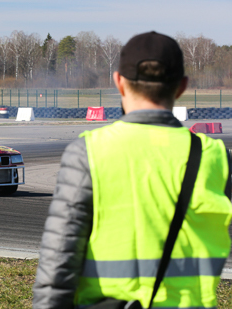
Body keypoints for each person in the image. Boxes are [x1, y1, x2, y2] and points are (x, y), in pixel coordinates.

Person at [33, 31, 232, 309]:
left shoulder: (88, 152)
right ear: (182, 86)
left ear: (119, 82)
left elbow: (58, 264)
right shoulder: (217, 158)